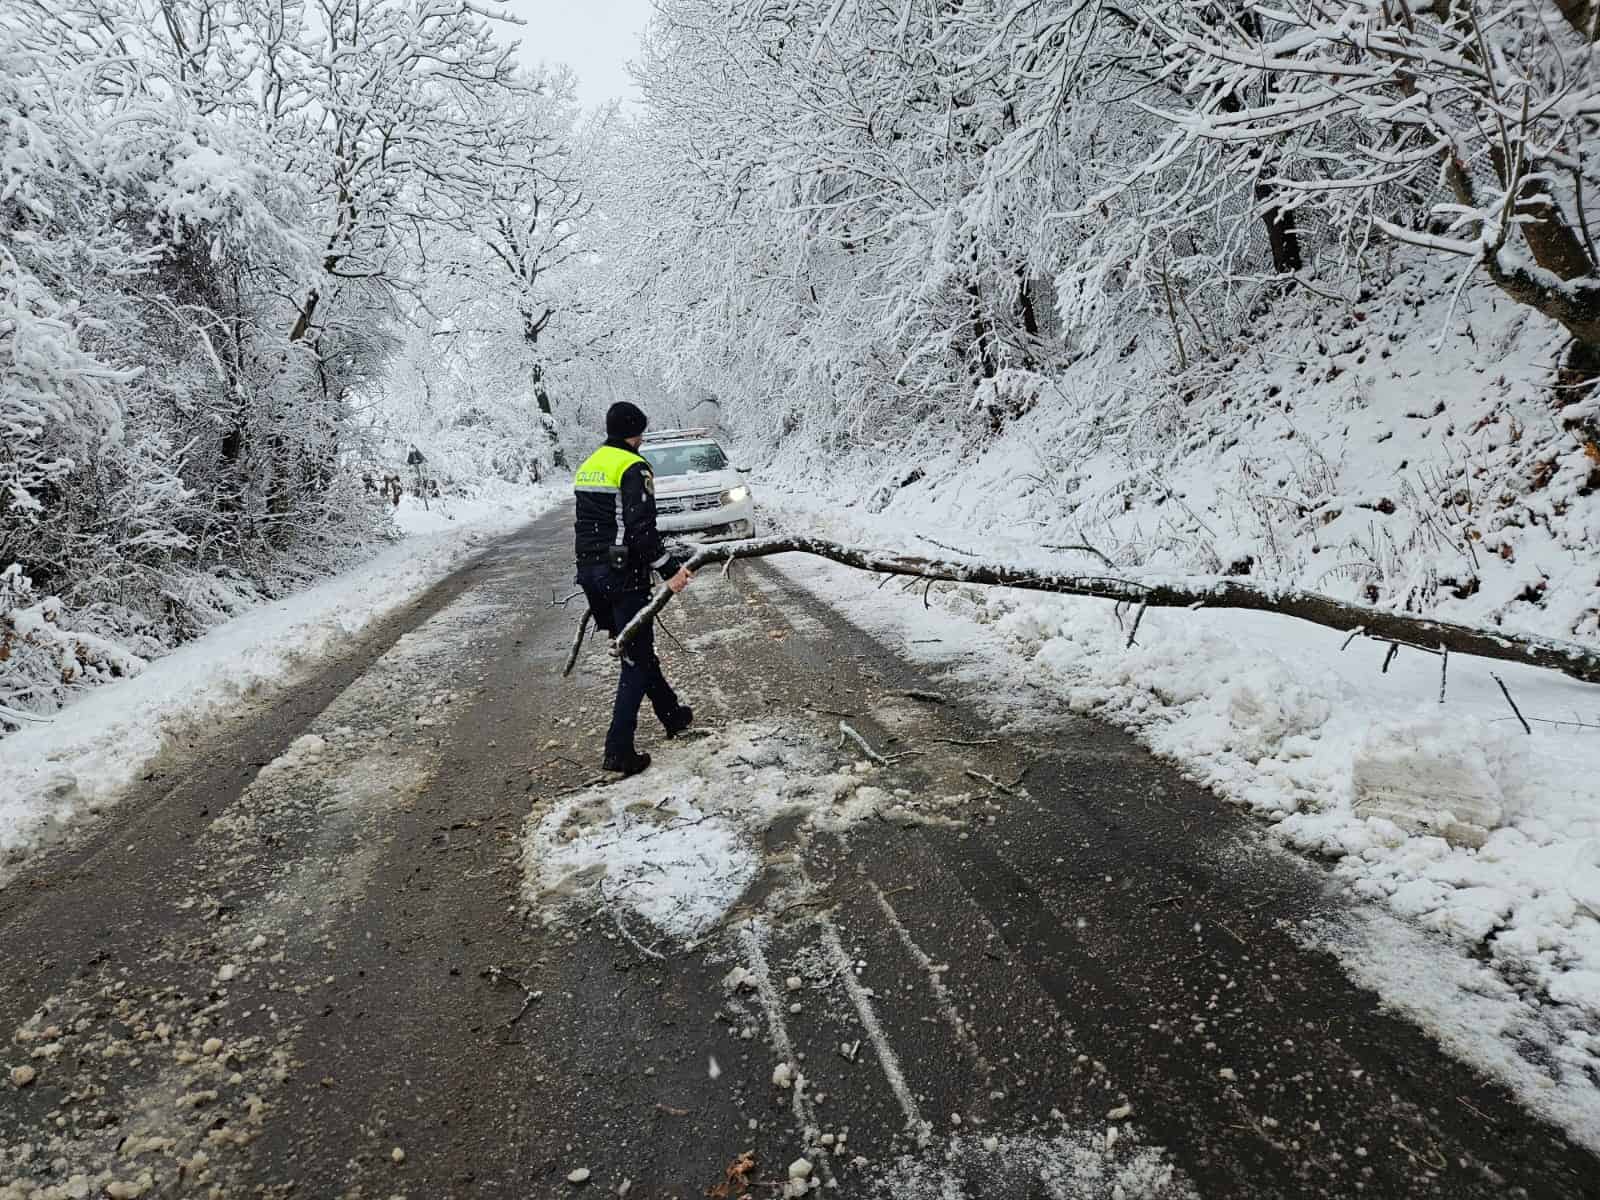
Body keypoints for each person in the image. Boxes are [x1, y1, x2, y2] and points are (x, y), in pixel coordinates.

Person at [573, 401, 695, 776]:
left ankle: (672, 714)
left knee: (635, 648)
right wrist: (670, 569)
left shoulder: (590, 464)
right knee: (636, 659)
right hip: (623, 574)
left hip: (592, 573)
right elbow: (641, 531)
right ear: (636, 431)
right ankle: (618, 749)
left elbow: (592, 524)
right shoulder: (633, 466)